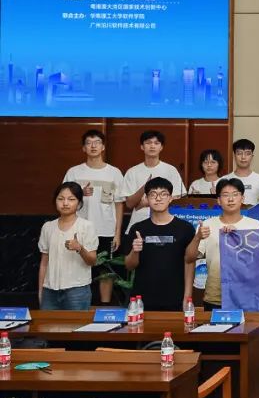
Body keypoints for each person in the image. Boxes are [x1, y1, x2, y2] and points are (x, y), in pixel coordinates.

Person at [62, 129, 124, 304]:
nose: (93, 146)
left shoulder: (114, 173)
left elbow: (119, 204)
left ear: (103, 147)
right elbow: (63, 200)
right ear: (83, 148)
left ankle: (105, 307)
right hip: (78, 230)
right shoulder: (74, 172)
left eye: (97, 142)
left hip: (106, 230)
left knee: (105, 271)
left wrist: (117, 233)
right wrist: (79, 193)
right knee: (79, 268)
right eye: (89, 143)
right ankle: (79, 305)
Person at [186, 178, 259, 310]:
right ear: (218, 200)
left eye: (235, 194)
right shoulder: (207, 225)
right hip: (215, 296)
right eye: (225, 195)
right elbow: (189, 258)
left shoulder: (255, 225)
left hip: (246, 295)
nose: (231, 199)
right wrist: (197, 238)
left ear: (242, 198)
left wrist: (238, 238)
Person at [122, 177, 196, 311]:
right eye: (153, 194)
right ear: (146, 199)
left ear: (170, 198)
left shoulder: (185, 228)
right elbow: (129, 265)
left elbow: (189, 263)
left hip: (175, 298)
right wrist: (135, 251)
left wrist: (187, 295)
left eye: (163, 194)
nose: (158, 198)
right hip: (142, 299)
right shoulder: (137, 229)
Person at [38, 182, 97, 310]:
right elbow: (44, 263)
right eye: (60, 199)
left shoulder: (86, 226)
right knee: (47, 323)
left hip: (77, 291)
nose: (65, 203)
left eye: (71, 199)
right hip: (49, 291)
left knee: (77, 323)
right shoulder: (48, 227)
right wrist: (41, 291)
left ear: (79, 203)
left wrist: (79, 248)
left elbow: (92, 261)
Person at [122, 130, 185, 227]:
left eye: (156, 143)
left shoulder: (171, 170)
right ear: (142, 147)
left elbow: (177, 199)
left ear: (161, 147)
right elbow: (129, 204)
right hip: (138, 223)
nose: (152, 146)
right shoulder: (132, 172)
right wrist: (145, 187)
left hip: (165, 224)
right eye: (148, 143)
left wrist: (145, 203)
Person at [222, 138, 259, 219]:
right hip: (229, 222)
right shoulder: (225, 180)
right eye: (239, 153)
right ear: (234, 155)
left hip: (253, 222)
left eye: (247, 154)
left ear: (252, 156)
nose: (243, 157)